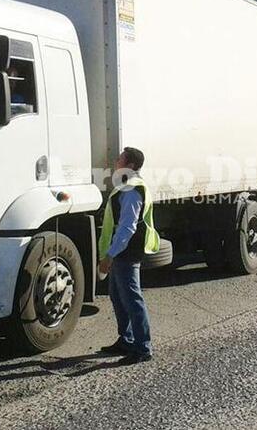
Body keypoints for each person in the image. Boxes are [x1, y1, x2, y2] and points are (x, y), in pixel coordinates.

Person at [97, 147, 160, 364]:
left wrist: (110, 255)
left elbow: (127, 227)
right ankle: (127, 339)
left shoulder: (131, 189)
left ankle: (142, 347)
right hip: (122, 251)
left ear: (130, 165)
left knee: (132, 298)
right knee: (117, 295)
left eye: (120, 158)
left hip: (126, 252)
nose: (116, 160)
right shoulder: (128, 185)